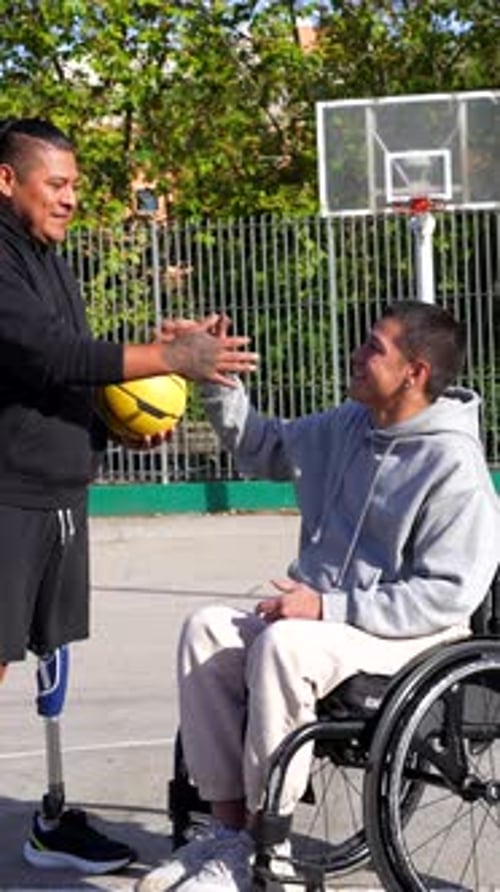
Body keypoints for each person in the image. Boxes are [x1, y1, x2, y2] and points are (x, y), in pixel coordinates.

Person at [137, 301, 500, 892]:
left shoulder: (453, 464)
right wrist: (216, 380)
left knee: (287, 645)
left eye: (374, 348)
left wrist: (328, 607)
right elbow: (264, 447)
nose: (357, 355)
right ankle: (229, 837)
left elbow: (447, 595)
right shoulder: (351, 425)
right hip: (331, 622)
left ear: (415, 373)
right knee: (206, 629)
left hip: (416, 634)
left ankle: (271, 850)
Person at [0, 117, 257, 874]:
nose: (70, 198)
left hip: (55, 492)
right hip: (7, 495)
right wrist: (168, 354)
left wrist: (115, 429)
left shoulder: (48, 259)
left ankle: (50, 823)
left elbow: (57, 378)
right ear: (7, 180)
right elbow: (51, 354)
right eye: (56, 184)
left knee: (45, 660)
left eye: (74, 185)